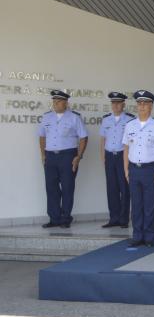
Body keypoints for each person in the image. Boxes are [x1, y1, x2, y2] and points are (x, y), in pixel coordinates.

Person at [122, 90, 154, 247]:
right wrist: (126, 170)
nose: (142, 106)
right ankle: (137, 236)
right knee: (136, 205)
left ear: (151, 106)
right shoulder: (129, 126)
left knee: (149, 205)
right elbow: (126, 148)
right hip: (134, 169)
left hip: (151, 169)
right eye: (139, 103)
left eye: (145, 103)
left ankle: (149, 237)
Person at [38, 90, 88, 228]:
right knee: (51, 188)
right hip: (50, 156)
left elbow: (83, 137)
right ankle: (54, 218)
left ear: (66, 103)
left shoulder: (74, 117)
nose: (55, 104)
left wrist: (79, 156)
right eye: (54, 101)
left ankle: (65, 218)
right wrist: (43, 154)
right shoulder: (47, 117)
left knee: (67, 188)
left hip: (68, 156)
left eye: (58, 101)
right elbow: (42, 136)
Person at [99, 92, 134, 228]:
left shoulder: (130, 120)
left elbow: (132, 141)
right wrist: (103, 158)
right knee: (111, 188)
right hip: (109, 156)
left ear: (123, 104)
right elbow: (102, 140)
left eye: (118, 103)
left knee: (124, 188)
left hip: (122, 157)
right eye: (113, 103)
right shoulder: (106, 120)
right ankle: (113, 218)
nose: (115, 105)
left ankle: (124, 219)